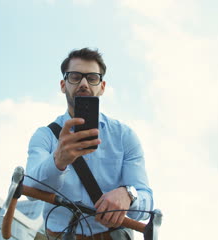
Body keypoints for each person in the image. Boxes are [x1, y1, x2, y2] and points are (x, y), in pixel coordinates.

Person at [25, 48, 153, 240]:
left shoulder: (124, 137)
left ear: (102, 86)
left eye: (92, 78)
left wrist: (128, 195)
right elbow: (30, 190)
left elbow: (146, 202)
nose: (84, 83)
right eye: (75, 76)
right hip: (57, 236)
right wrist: (57, 162)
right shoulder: (44, 136)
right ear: (63, 85)